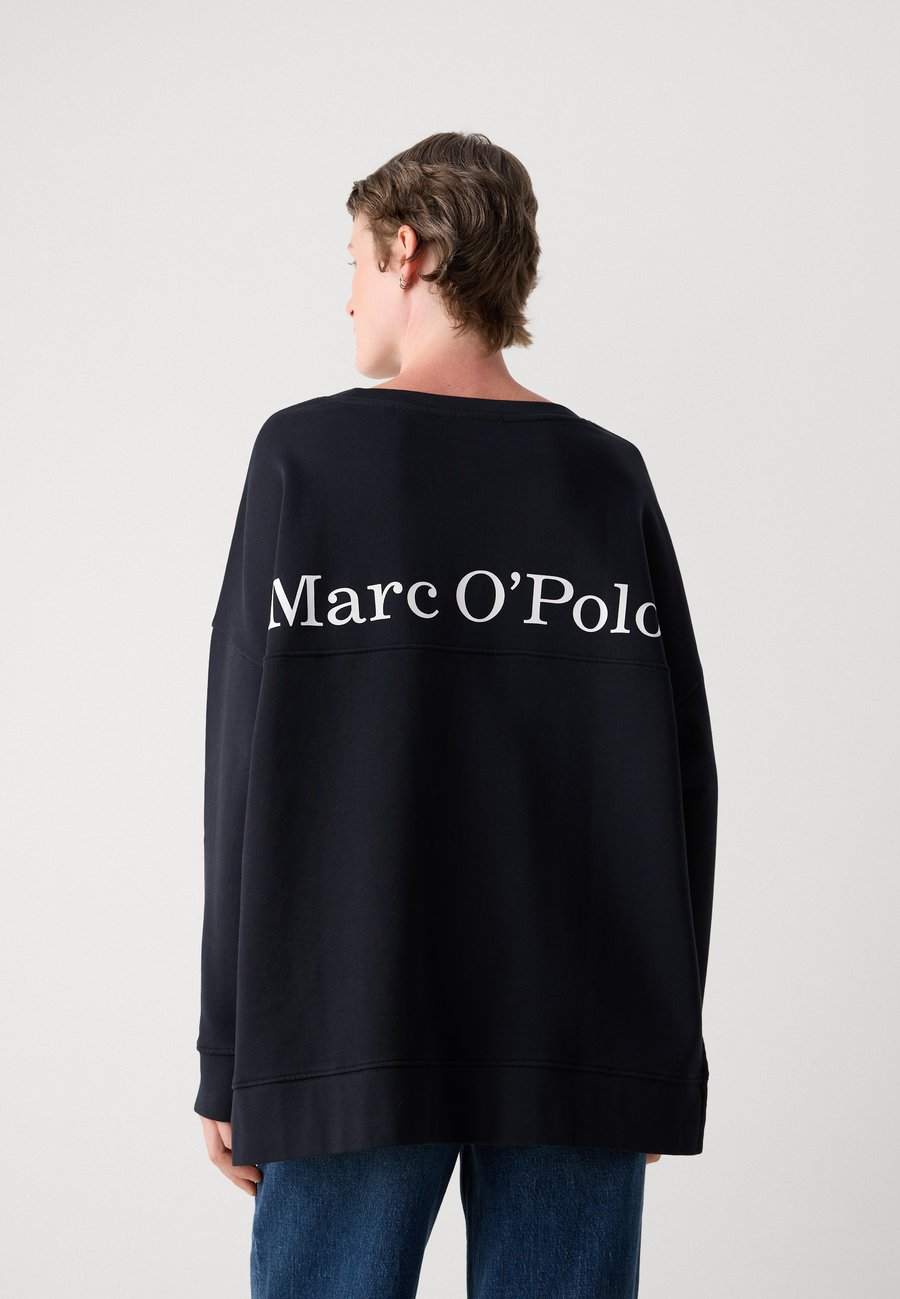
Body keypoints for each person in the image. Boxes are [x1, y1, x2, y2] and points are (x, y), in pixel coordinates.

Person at [193, 131, 718, 1299]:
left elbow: (244, 769)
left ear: (409, 250)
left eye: (353, 261)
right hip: (583, 1032)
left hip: (344, 1026)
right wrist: (659, 1052)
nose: (346, 296)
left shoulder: (305, 458)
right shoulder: (605, 477)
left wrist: (230, 1052)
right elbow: (685, 780)